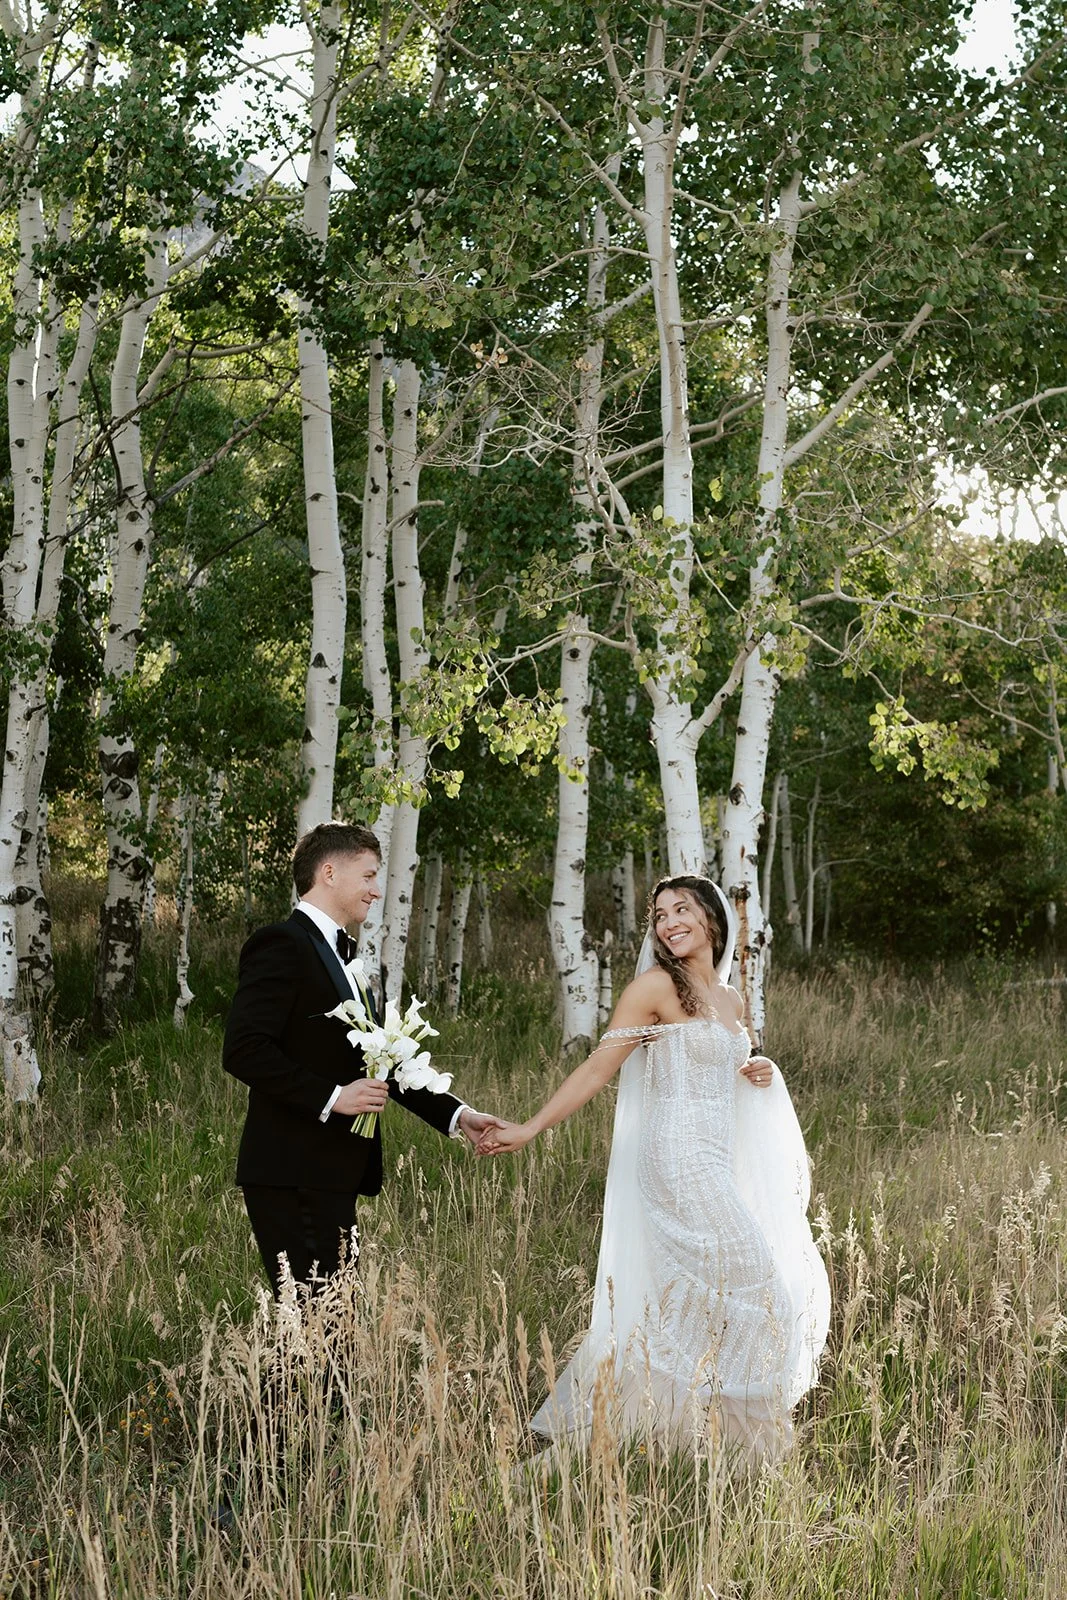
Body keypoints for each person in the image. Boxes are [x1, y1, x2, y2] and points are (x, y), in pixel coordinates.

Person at [478, 874, 830, 1459]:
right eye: (661, 915)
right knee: (755, 1278)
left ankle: (676, 1437)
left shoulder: (730, 998)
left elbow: (722, 1071)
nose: (669, 923)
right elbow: (598, 1068)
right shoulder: (654, 987)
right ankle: (735, 1446)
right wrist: (532, 1126)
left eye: (682, 910)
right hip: (676, 1158)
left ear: (713, 919)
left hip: (713, 1158)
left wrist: (759, 1071)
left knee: (709, 1292)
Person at [224, 820, 503, 1297]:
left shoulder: (354, 965)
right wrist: (333, 1097)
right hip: (291, 1169)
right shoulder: (283, 944)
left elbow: (386, 1065)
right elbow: (244, 1049)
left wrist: (459, 1115)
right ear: (329, 872)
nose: (377, 891)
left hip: (330, 1173)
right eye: (369, 876)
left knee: (325, 1335)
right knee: (317, 1335)